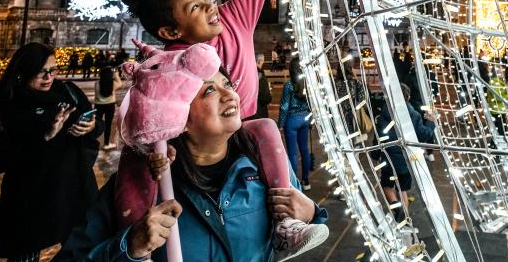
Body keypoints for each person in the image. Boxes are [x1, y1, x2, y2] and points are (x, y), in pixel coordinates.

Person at [114, 0, 308, 244]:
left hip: (243, 131)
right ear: (171, 30)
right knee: (137, 167)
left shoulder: (235, 19)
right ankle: (131, 237)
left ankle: (288, 219)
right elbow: (145, 112)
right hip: (190, 147)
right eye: (195, 8)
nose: (210, 7)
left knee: (267, 132)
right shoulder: (169, 62)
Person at [56, 70, 329, 262]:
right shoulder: (140, 187)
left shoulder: (264, 168)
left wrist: (311, 213)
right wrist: (130, 246)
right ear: (179, 118)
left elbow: (294, 232)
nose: (228, 94)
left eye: (228, 84)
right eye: (210, 90)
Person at [0, 43, 102, 261]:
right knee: (25, 254)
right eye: (41, 72)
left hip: (74, 188)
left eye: (53, 70)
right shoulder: (5, 104)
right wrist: (45, 136)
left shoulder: (67, 90)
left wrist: (91, 127)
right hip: (30, 196)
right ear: (22, 72)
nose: (49, 77)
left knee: (80, 253)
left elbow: (95, 123)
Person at [375, 84, 436, 221]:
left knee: (387, 185)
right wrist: (431, 123)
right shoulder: (413, 115)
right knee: (402, 189)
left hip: (388, 158)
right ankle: (405, 217)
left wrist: (376, 154)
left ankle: (396, 206)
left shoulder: (384, 113)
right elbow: (422, 135)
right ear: (408, 97)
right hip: (405, 159)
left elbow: (378, 135)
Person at [278, 57, 313, 191]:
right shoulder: (307, 83)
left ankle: (295, 183)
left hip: (291, 120)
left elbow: (284, 106)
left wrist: (280, 124)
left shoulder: (289, 85)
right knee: (304, 150)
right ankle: (306, 180)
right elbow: (311, 104)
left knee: (292, 153)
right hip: (305, 118)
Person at [95, 64, 121, 150]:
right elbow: (120, 83)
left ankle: (93, 142)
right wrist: (116, 74)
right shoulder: (113, 83)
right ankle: (106, 143)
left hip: (98, 105)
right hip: (110, 105)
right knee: (108, 124)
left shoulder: (97, 83)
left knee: (96, 123)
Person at [248, 53, 272, 120]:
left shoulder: (245, 73)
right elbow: (265, 99)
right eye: (263, 62)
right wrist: (268, 91)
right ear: (259, 61)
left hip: (246, 113)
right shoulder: (260, 76)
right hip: (258, 113)